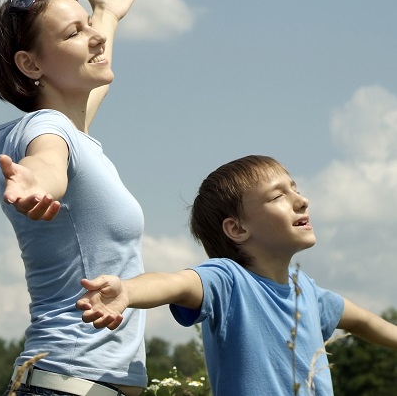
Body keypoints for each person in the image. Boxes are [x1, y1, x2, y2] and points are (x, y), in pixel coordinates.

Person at [76, 155, 397, 396]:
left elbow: (364, 321)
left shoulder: (308, 294)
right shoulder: (229, 281)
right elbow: (176, 283)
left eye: (294, 189)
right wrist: (128, 292)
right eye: (277, 196)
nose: (302, 201)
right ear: (237, 228)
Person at [0, 0, 146, 396]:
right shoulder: (45, 128)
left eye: (90, 28)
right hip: (67, 385)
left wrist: (105, 14)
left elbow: (96, 65)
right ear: (30, 63)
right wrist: (38, 181)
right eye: (74, 33)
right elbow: (48, 162)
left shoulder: (76, 133)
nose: (95, 38)